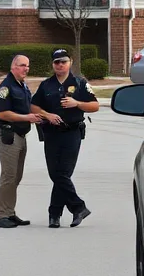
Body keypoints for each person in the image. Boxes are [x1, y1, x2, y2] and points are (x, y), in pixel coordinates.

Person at [31, 48, 99, 228]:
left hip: (72, 133)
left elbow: (94, 106)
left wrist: (77, 103)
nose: (60, 65)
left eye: (63, 61)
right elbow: (34, 107)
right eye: (56, 62)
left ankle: (55, 214)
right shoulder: (46, 85)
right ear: (52, 64)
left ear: (70, 63)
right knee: (55, 173)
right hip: (52, 134)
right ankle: (78, 208)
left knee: (63, 174)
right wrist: (47, 115)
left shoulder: (80, 83)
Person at [0, 54, 42, 228]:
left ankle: (9, 212)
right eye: (22, 65)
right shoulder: (6, 88)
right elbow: (3, 114)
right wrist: (26, 117)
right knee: (9, 175)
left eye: (27, 66)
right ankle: (0, 216)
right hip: (8, 136)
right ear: (13, 67)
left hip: (20, 136)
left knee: (16, 176)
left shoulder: (22, 86)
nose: (26, 69)